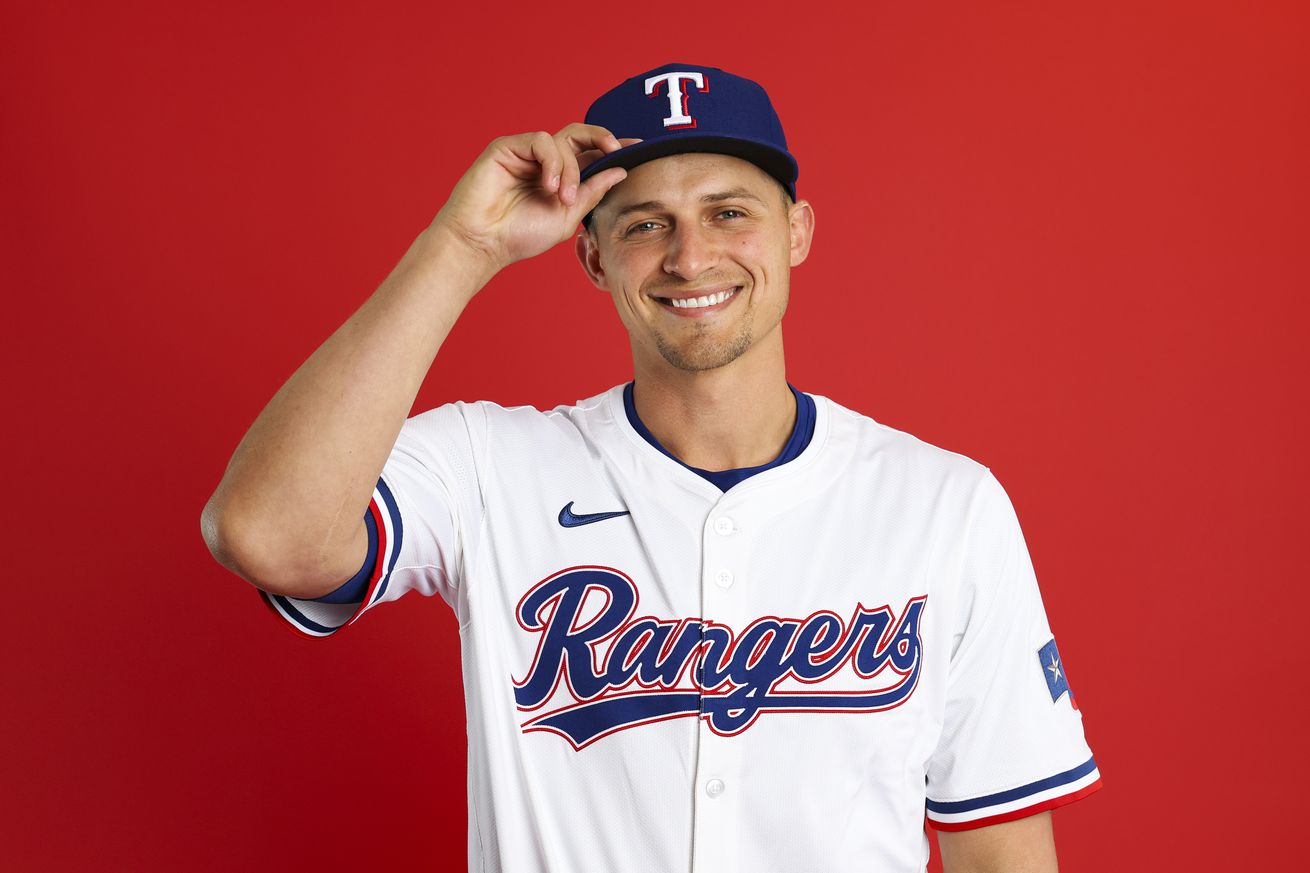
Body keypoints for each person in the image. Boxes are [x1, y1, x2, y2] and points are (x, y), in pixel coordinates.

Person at [202, 63, 1101, 873]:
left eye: (729, 212)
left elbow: (1002, 852)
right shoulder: (488, 465)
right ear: (592, 254)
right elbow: (267, 535)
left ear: (797, 232)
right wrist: (461, 248)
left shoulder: (944, 504)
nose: (690, 256)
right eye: (645, 224)